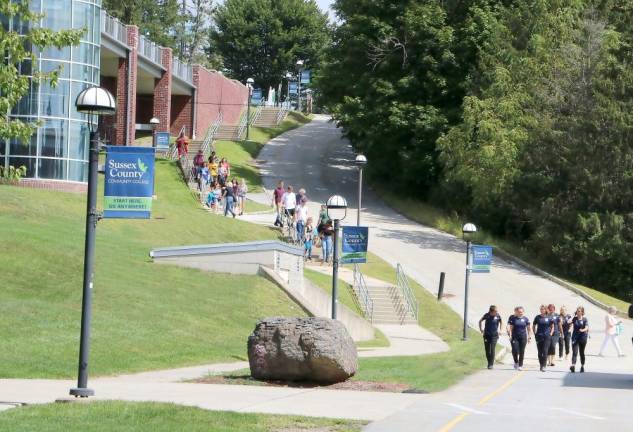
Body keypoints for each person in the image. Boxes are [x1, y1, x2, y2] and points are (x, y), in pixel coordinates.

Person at [507, 306, 531, 370]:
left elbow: (529, 329)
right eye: (519, 312)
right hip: (515, 337)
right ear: (517, 312)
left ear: (523, 312)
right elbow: (511, 328)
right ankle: (516, 362)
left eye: (521, 312)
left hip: (523, 337)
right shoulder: (513, 319)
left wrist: (529, 337)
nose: (520, 313)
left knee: (522, 351)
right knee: (514, 350)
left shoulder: (526, 319)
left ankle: (520, 365)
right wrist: (510, 336)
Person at [479, 305, 503, 369]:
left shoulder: (498, 316)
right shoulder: (487, 315)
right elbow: (480, 321)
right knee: (487, 350)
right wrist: (481, 329)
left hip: (494, 335)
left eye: (497, 311)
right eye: (495, 311)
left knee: (492, 349)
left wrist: (500, 330)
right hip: (486, 335)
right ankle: (489, 362)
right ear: (491, 311)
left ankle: (491, 364)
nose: (496, 312)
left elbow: (501, 322)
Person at [533, 304, 554, 372]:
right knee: (540, 352)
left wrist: (550, 333)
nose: (542, 310)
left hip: (547, 336)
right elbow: (534, 325)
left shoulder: (549, 317)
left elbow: (552, 326)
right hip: (539, 336)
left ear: (545, 310)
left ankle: (544, 366)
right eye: (541, 309)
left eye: (543, 309)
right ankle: (541, 365)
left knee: (545, 351)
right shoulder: (537, 317)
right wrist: (535, 333)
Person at [570, 306, 589, 373]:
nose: (578, 312)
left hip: (583, 337)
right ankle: (573, 365)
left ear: (582, 312)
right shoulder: (574, 319)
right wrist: (569, 324)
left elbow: (587, 327)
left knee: (581, 353)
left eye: (579, 311)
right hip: (575, 337)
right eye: (577, 311)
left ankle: (582, 366)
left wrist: (582, 330)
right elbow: (570, 323)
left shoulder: (584, 319)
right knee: (574, 352)